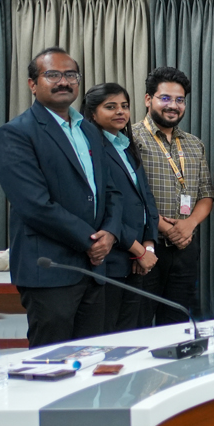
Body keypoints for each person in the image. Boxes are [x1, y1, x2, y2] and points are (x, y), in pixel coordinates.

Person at [0, 48, 123, 347]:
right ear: (32, 84)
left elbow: (111, 191)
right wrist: (92, 241)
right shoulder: (16, 133)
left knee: (91, 358)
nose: (63, 81)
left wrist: (110, 233)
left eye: (70, 75)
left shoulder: (90, 131)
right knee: (51, 363)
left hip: (94, 269)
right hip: (50, 269)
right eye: (53, 75)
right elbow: (34, 205)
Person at [132, 66, 214, 325]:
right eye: (165, 98)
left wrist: (189, 225)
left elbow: (206, 194)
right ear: (148, 99)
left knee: (178, 324)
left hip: (185, 247)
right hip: (145, 246)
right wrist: (166, 228)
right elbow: (129, 197)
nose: (173, 106)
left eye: (180, 100)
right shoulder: (131, 138)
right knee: (139, 324)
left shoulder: (194, 143)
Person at [82, 83, 160, 333]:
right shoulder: (91, 149)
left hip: (138, 259)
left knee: (134, 333)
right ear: (93, 113)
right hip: (113, 257)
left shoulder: (126, 144)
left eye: (124, 106)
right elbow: (105, 208)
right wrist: (136, 248)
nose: (120, 112)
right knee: (109, 334)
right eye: (110, 107)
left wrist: (148, 244)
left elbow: (146, 197)